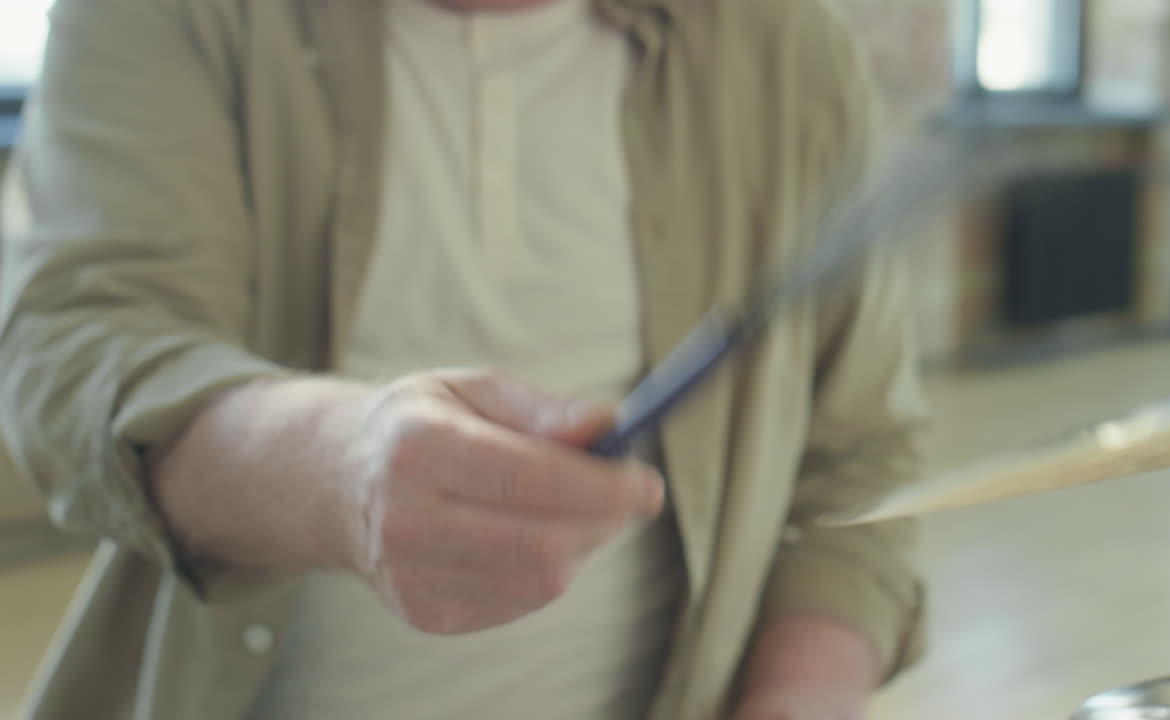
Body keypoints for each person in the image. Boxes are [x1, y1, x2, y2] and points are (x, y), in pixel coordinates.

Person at [0, 0, 929, 718]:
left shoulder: (781, 46)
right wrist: (342, 470)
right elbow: (77, 344)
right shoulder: (175, 18)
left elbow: (859, 469)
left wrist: (792, 698)